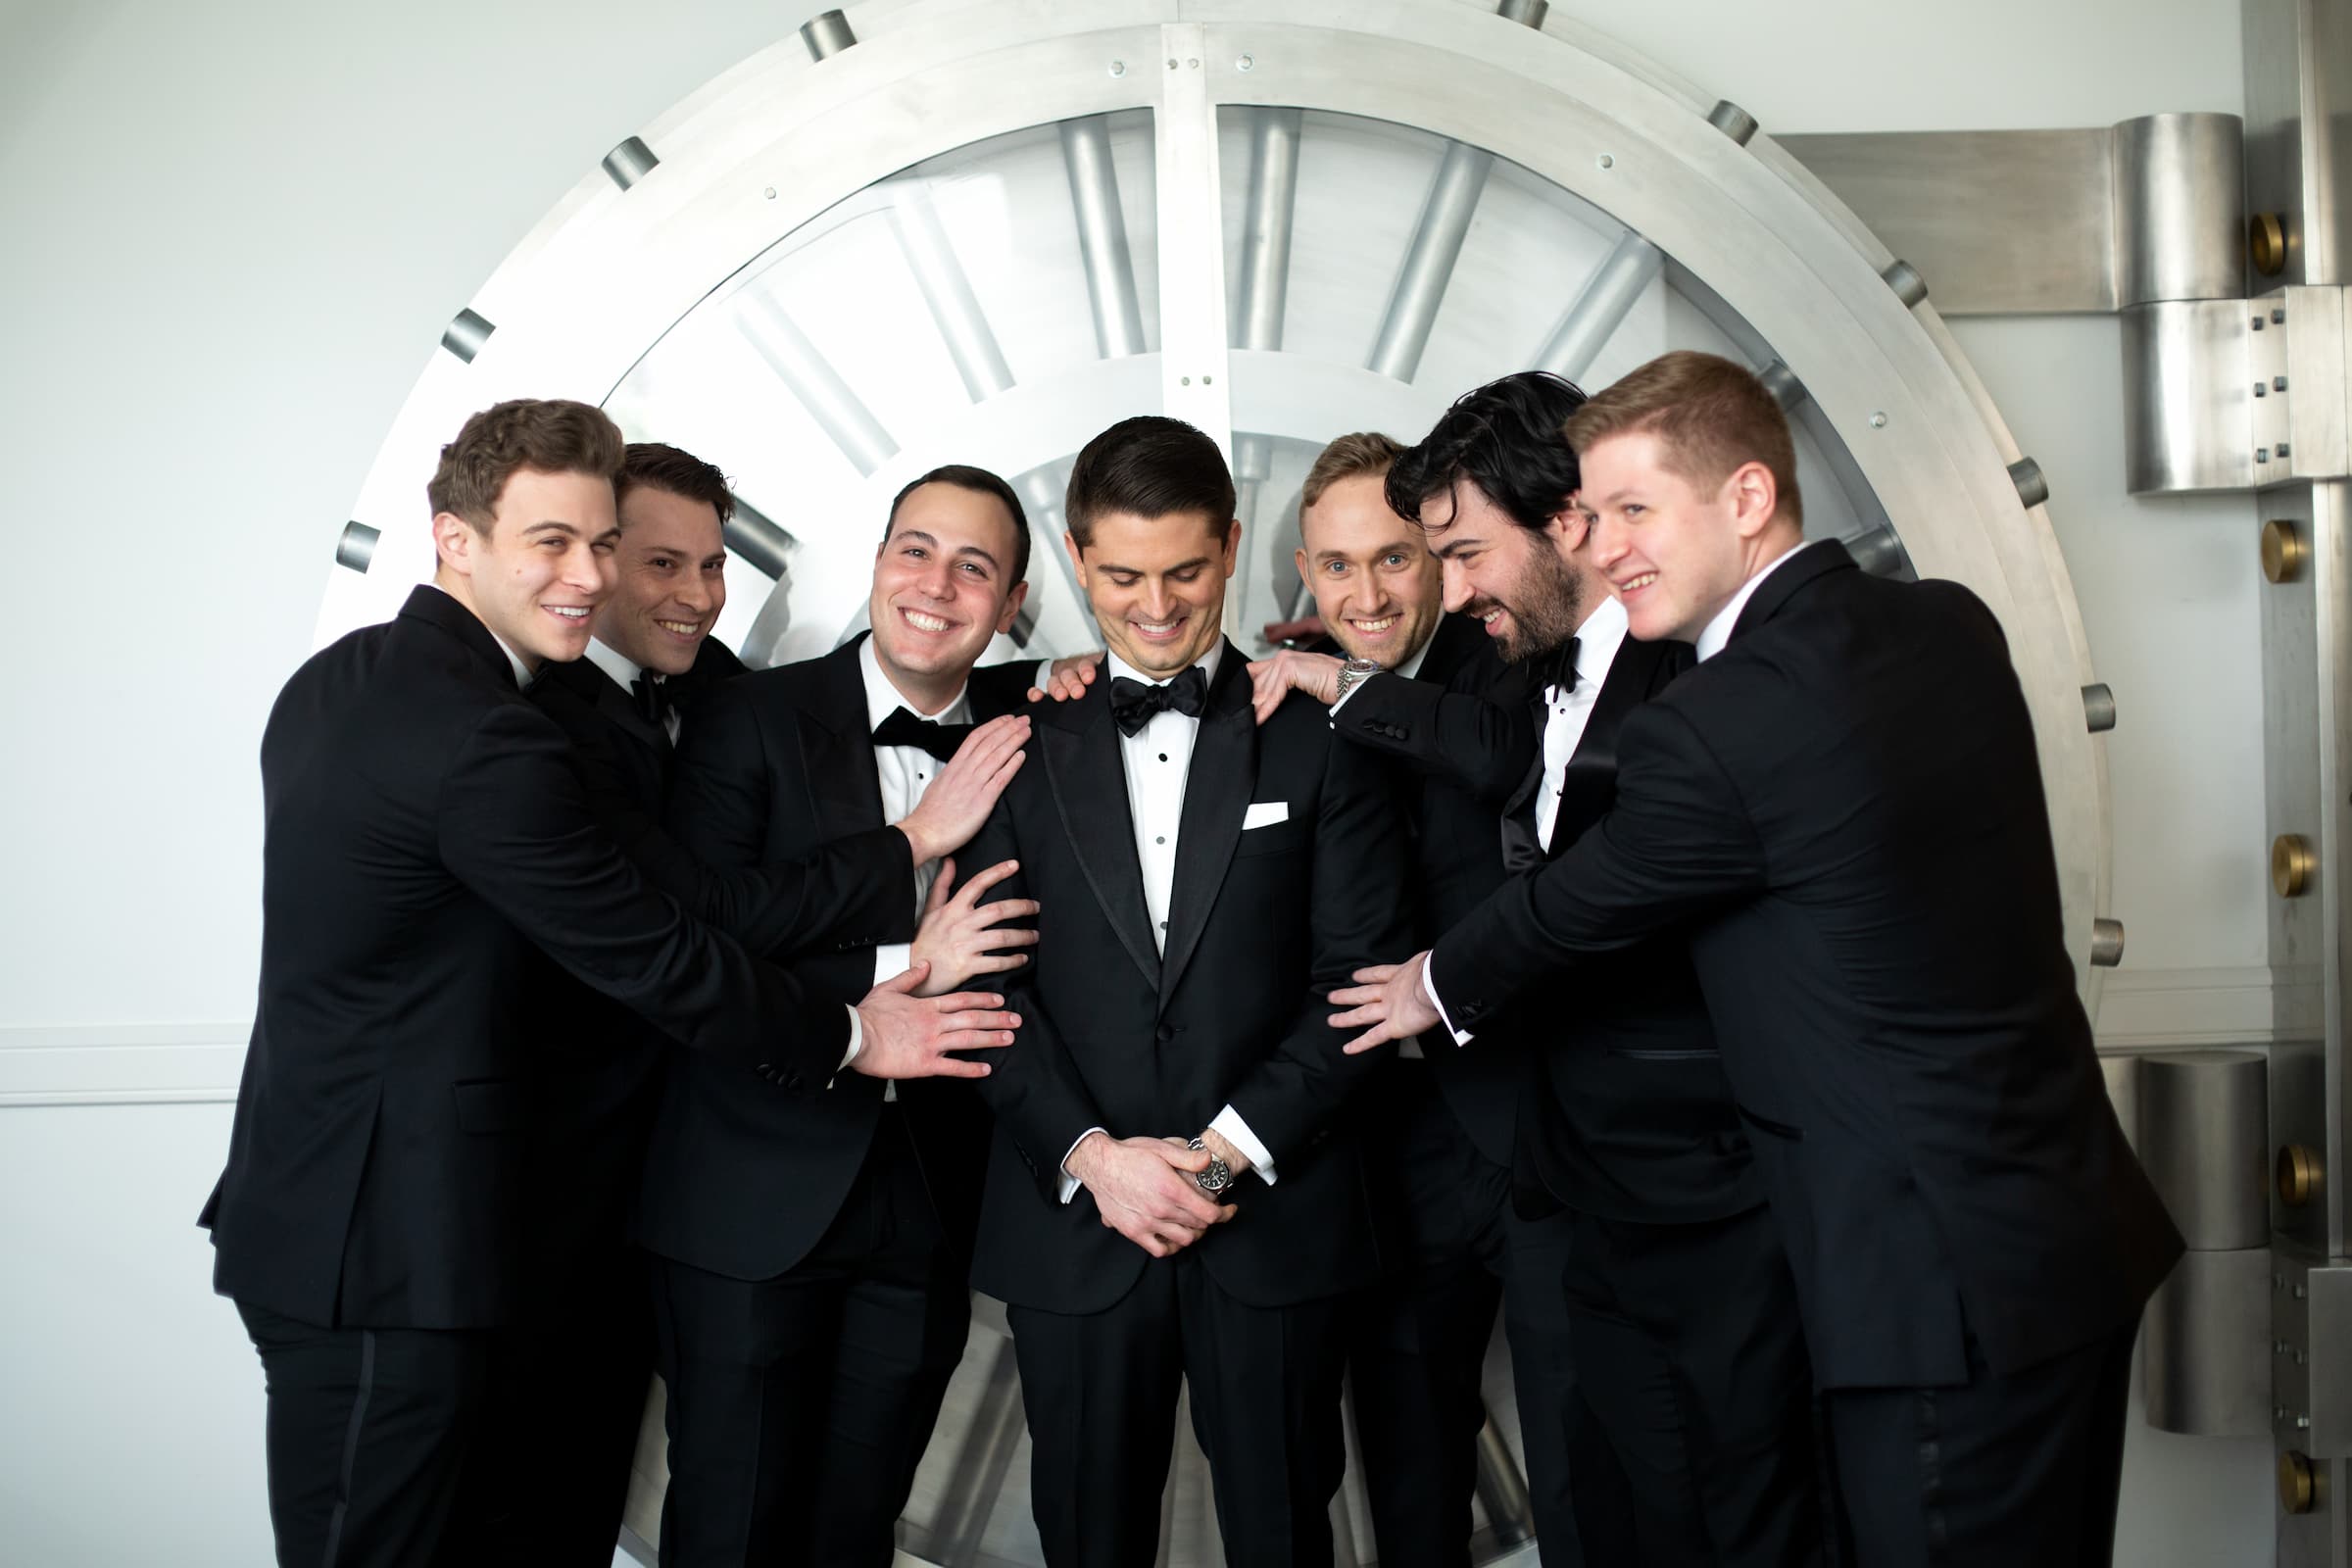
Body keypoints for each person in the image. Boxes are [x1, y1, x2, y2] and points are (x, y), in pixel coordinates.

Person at [1334, 351, 2183, 1568]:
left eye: (1634, 511)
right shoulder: (1946, 621)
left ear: (1744, 498)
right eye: (1592, 512)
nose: (1607, 546)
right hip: (2058, 1226)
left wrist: (1430, 984)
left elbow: (1578, 902)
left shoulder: (1720, 715)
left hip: (1926, 1277)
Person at [200, 401, 1020, 1568]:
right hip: (393, 1243)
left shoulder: (347, 679)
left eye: (598, 542)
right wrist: (858, 1028)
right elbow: (661, 952)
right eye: (555, 544)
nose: (588, 578)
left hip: (397, 1220)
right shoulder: (492, 735)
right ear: (455, 539)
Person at [956, 416, 1412, 1567]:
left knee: (1281, 1538)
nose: (1154, 606)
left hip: (1274, 1216)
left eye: (1184, 573)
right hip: (1078, 1222)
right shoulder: (1012, 730)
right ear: (1071, 558)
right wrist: (1097, 1159)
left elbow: (1356, 987)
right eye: (1119, 576)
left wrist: (1215, 1159)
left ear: (1232, 545)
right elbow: (985, 987)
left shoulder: (1325, 732)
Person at [642, 465, 1053, 1567]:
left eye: (976, 565)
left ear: (1012, 604)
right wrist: (911, 955)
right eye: (914, 548)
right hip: (751, 1202)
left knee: (855, 1535)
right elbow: (706, 934)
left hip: (926, 1207)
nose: (937, 582)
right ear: (876, 564)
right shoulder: (750, 715)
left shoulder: (1039, 729)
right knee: (732, 1533)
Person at [1244, 431, 1583, 1566]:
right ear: (1303, 566)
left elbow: (1506, 764)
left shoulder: (1512, 659)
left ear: (1440, 553)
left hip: (1533, 1133)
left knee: (1588, 1456)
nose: (1366, 590)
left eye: (1394, 557)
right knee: (1408, 1472)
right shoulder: (1277, 699)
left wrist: (1348, 684)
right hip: (1380, 1150)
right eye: (1337, 565)